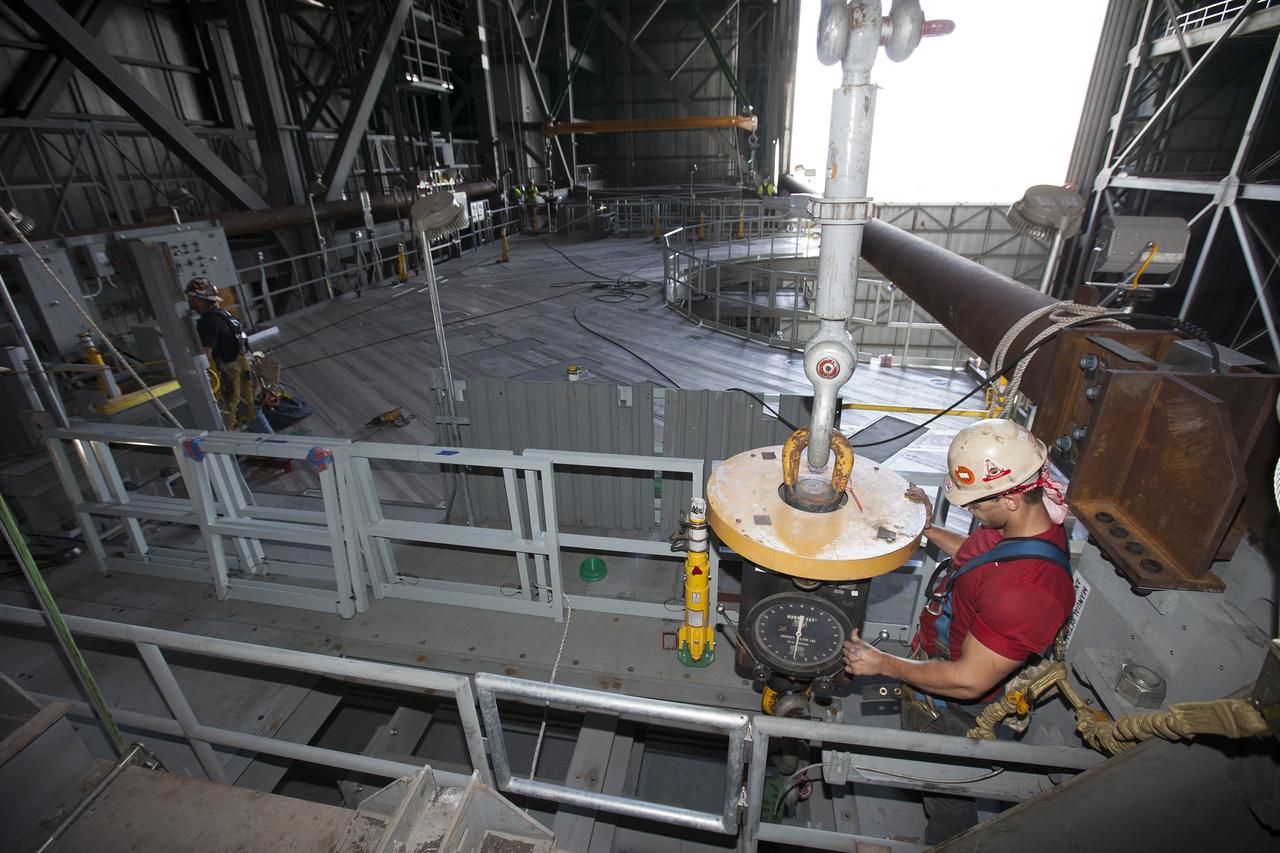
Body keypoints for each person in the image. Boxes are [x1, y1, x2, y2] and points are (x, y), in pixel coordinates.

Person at [841, 418, 1075, 844]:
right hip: (939, 671)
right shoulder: (1019, 527)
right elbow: (973, 555)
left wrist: (883, 664)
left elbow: (968, 682)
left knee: (946, 796)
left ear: (1011, 498)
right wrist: (925, 528)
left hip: (959, 713)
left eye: (975, 503)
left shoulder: (1029, 590)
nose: (969, 511)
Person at [185, 277, 272, 433]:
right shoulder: (225, 314)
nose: (189, 301)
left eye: (191, 298)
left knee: (252, 414)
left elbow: (206, 356)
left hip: (236, 373)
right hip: (249, 366)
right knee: (253, 410)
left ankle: (276, 450)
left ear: (198, 300)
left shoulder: (207, 321)